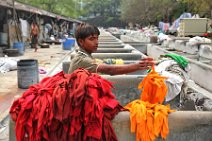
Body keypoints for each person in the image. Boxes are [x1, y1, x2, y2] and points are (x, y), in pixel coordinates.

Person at [68, 23, 155, 75]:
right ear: (81, 42)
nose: (96, 42)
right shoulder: (82, 59)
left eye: (97, 38)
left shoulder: (84, 55)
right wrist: (138, 66)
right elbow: (110, 70)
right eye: (92, 39)